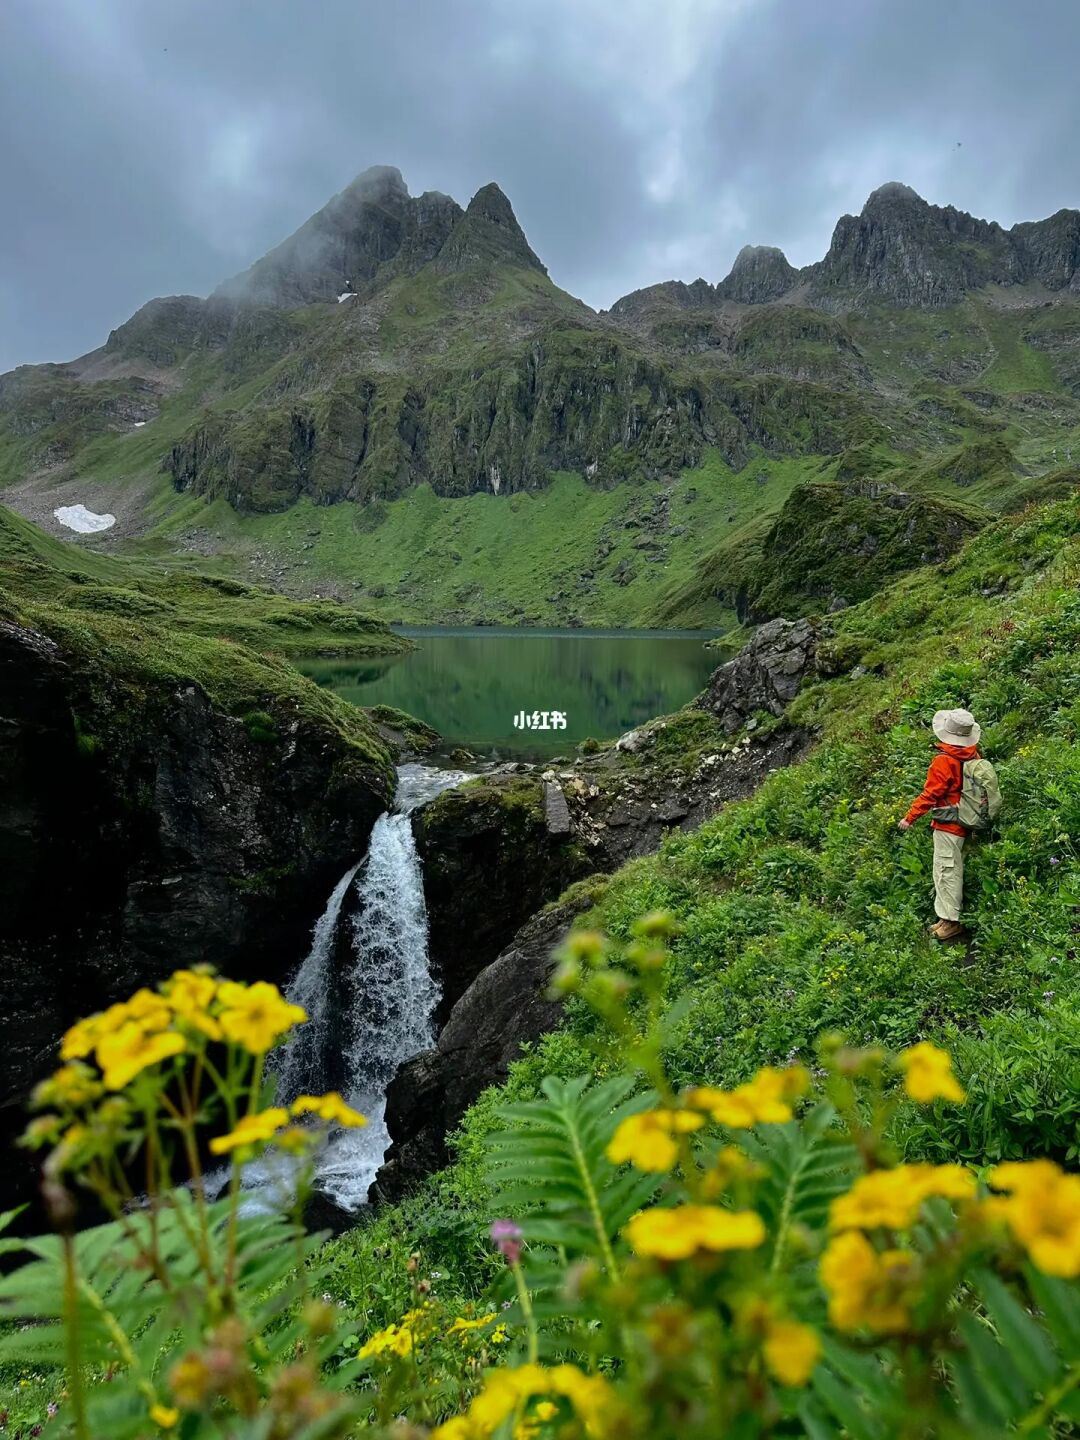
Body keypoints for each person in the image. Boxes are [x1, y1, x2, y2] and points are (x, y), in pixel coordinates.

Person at [897, 708, 982, 942]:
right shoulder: (973, 755)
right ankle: (944, 918)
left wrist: (909, 818)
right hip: (969, 819)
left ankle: (951, 923)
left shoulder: (944, 760)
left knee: (946, 871)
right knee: (954, 867)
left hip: (949, 824)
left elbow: (931, 793)